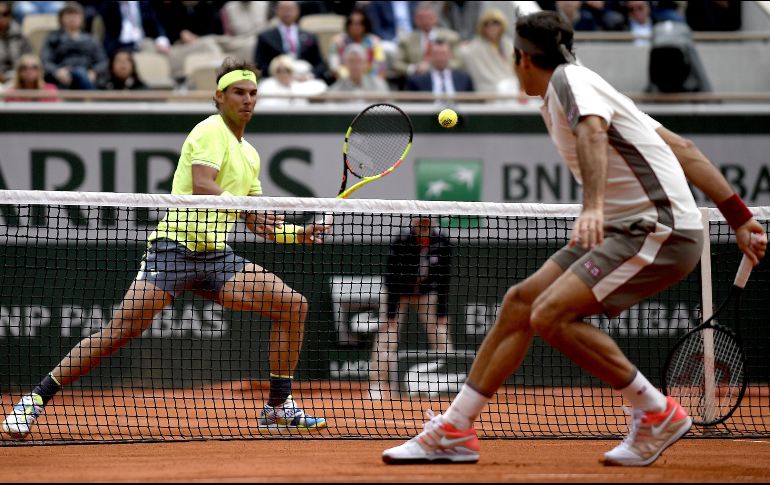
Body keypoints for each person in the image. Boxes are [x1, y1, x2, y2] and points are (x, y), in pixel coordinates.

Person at [382, 10, 767, 466]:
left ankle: (654, 410)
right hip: (627, 226)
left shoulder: (570, 84)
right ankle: (455, 429)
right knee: (521, 303)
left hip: (655, 229)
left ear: (522, 59)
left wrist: (594, 206)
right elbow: (683, 148)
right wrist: (739, 216)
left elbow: (591, 133)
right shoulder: (587, 83)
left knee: (551, 316)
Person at [2, 57, 331, 440]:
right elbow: (203, 183)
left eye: (253, 93)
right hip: (173, 250)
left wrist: (297, 234)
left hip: (216, 258)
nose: (247, 100)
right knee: (119, 332)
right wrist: (249, 208)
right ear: (219, 96)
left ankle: (277, 407)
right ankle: (34, 401)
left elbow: (256, 222)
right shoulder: (210, 130)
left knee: (294, 305)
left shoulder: (250, 155)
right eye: (238, 93)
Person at [369, 215, 453, 400]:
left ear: (433, 222)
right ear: (414, 222)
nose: (423, 224)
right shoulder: (401, 241)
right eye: (420, 220)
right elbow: (391, 278)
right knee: (387, 337)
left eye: (427, 220)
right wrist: (390, 315)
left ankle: (448, 382)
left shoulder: (443, 242)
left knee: (441, 333)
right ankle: (377, 385)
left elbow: (444, 280)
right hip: (398, 294)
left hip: (427, 293)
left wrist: (442, 312)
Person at [390, 2, 461, 89]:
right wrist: (414, 68)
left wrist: (437, 66)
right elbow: (396, 64)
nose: (425, 22)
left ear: (436, 18)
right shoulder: (406, 40)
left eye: (429, 18)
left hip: (444, 80)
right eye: (421, 18)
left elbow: (459, 62)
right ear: (415, 19)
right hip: (417, 82)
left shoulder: (451, 37)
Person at [254, 1, 328, 84]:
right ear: (277, 11)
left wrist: (311, 75)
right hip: (276, 80)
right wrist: (278, 74)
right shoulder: (265, 37)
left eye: (290, 9)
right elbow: (259, 64)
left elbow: (320, 64)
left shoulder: (310, 36)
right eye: (284, 9)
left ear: (297, 11)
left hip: (305, 80)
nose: (287, 12)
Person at [40, 2, 107, 90]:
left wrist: (94, 72)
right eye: (69, 15)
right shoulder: (53, 38)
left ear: (82, 19)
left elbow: (103, 61)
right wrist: (57, 71)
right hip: (61, 77)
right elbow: (45, 61)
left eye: (76, 15)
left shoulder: (91, 40)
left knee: (80, 74)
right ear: (61, 18)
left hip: (86, 73)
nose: (72, 18)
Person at [459, 8, 515, 94]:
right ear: (482, 27)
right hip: (490, 90)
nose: (492, 27)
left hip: (513, 86)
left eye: (496, 23)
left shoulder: (509, 45)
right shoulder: (474, 47)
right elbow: (463, 55)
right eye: (487, 24)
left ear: (502, 25)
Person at [327, 7, 386, 81]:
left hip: (370, 81)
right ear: (348, 25)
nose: (355, 27)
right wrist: (349, 78)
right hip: (345, 82)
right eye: (352, 23)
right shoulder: (337, 42)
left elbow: (380, 65)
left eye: (359, 24)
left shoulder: (374, 42)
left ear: (365, 25)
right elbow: (334, 66)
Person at [405, 38, 474, 95]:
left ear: (450, 55)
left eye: (443, 53)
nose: (440, 58)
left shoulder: (464, 78)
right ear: (429, 56)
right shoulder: (417, 80)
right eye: (436, 54)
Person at [256, 54, 327, 107]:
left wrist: (306, 78)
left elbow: (321, 86)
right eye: (279, 71)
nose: (283, 74)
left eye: (287, 70)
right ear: (274, 72)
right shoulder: (267, 85)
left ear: (292, 72)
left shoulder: (296, 85)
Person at [0, 0, 32, 86]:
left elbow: (28, 57)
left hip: (18, 77)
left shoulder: (20, 36)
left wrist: (19, 74)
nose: (1, 18)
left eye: (5, 14)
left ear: (10, 16)